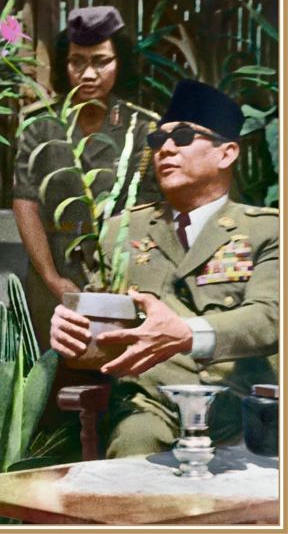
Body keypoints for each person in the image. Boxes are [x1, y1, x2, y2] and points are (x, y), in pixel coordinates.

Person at [50, 79, 279, 457]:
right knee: (133, 445)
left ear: (226, 154)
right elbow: (100, 347)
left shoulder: (267, 230)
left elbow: (270, 318)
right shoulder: (121, 232)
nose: (166, 148)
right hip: (152, 407)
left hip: (244, 410)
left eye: (184, 137)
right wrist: (72, 339)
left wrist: (186, 333)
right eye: (158, 140)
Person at [13, 5, 162, 350]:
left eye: (101, 61)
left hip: (127, 279)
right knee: (53, 367)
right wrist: (52, 278)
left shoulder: (144, 127)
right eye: (77, 62)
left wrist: (130, 277)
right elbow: (25, 204)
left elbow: (154, 211)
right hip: (55, 271)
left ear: (120, 62)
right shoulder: (40, 124)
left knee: (123, 366)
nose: (88, 74)